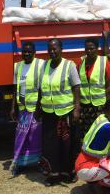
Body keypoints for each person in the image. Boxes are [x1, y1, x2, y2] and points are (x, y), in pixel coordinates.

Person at [39, 38, 81, 186]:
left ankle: (68, 174)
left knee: (67, 145)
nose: (52, 52)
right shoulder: (44, 66)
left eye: (55, 49)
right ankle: (53, 175)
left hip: (65, 113)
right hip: (48, 112)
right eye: (49, 49)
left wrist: (77, 108)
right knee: (50, 146)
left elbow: (76, 87)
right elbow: (40, 89)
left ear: (61, 49)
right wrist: (39, 108)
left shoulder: (69, 65)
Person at [9, 41, 44, 176]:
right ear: (21, 53)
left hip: (35, 109)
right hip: (22, 109)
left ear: (34, 53)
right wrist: (12, 108)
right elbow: (15, 88)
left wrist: (39, 107)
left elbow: (43, 87)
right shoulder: (17, 66)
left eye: (30, 51)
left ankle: (37, 163)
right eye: (25, 51)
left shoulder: (40, 65)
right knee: (21, 137)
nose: (27, 54)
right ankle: (20, 164)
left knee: (35, 137)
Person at [78, 37, 110, 138]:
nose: (89, 51)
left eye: (92, 48)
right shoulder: (81, 62)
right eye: (87, 49)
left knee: (100, 131)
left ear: (97, 48)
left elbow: (109, 86)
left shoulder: (103, 61)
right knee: (86, 132)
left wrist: (108, 106)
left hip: (99, 105)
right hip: (85, 106)